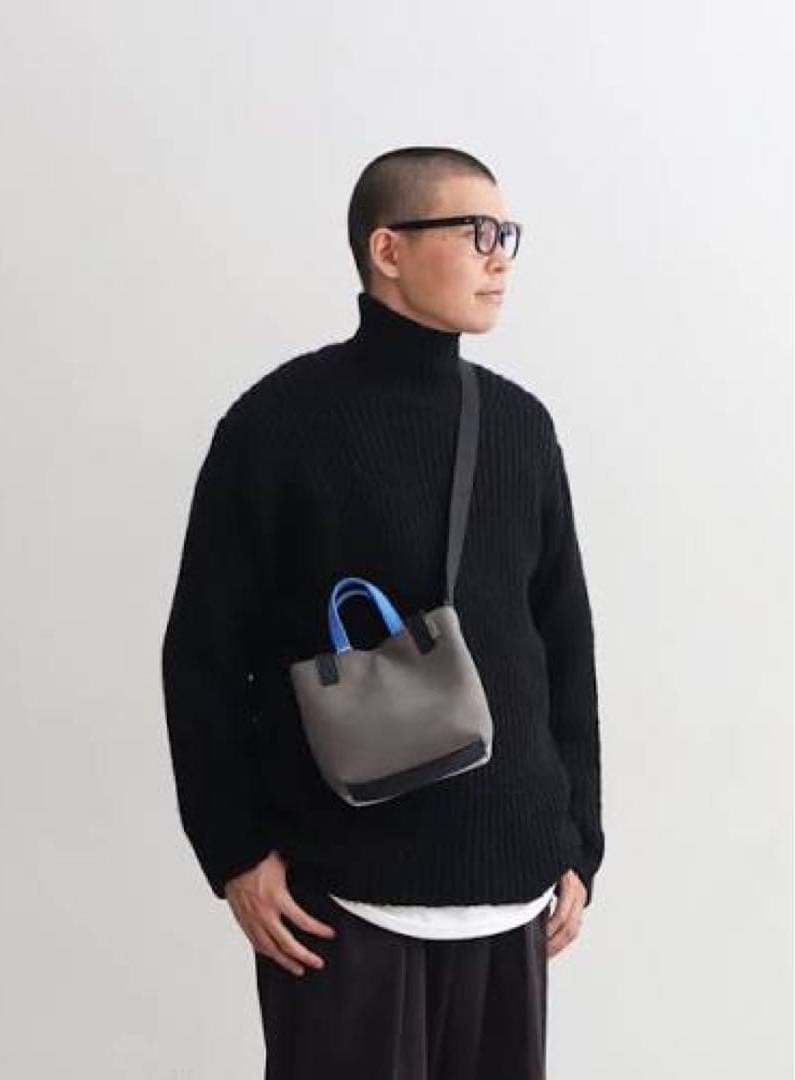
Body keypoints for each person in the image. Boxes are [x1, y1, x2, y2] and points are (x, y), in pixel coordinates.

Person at [161, 146, 605, 1079]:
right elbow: (203, 656)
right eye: (474, 231)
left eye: (506, 233)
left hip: (512, 893)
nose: (498, 256)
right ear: (388, 249)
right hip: (338, 901)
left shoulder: (520, 425)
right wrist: (234, 850)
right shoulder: (277, 424)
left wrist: (577, 843)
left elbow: (563, 643)